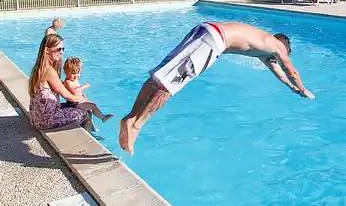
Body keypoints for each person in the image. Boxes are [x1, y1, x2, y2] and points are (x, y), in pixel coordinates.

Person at [119, 22, 315, 155]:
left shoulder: (263, 44)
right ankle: (136, 125)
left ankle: (130, 118)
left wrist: (292, 88)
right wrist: (303, 89)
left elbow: (279, 73)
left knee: (159, 77)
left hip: (203, 29)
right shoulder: (278, 46)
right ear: (284, 47)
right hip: (214, 40)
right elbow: (291, 71)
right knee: (169, 86)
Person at [28, 34, 94, 131]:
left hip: (36, 117)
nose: (61, 52)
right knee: (87, 112)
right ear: (47, 50)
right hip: (46, 121)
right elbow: (68, 96)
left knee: (73, 106)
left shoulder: (39, 68)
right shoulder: (49, 71)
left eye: (63, 49)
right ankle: (86, 138)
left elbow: (59, 86)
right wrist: (83, 99)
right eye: (58, 49)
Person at [62, 57, 114, 124]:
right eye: (73, 73)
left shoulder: (73, 79)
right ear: (66, 72)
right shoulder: (68, 82)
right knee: (92, 106)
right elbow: (75, 91)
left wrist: (83, 96)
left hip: (78, 101)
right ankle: (103, 117)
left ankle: (92, 126)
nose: (76, 76)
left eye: (78, 73)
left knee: (90, 109)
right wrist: (84, 86)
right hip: (74, 104)